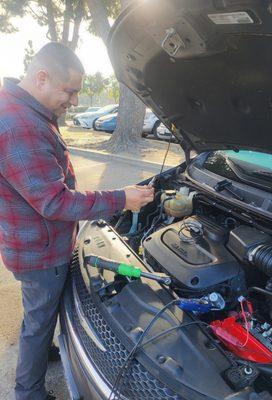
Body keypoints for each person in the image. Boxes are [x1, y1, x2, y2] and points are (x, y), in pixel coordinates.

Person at [0, 42, 154, 400]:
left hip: (35, 243)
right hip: (41, 253)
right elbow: (54, 201)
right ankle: (29, 391)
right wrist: (121, 199)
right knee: (39, 322)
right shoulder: (18, 124)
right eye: (69, 91)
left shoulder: (24, 110)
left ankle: (43, 350)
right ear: (42, 77)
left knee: (39, 312)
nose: (73, 102)